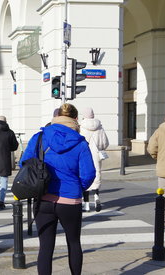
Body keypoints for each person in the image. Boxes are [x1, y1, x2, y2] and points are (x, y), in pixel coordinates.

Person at [20, 103, 96, 275]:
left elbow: (23, 164)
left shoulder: (39, 137)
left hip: (43, 198)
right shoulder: (80, 143)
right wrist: (77, 188)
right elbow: (89, 174)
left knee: (45, 248)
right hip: (70, 200)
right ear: (76, 119)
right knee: (74, 243)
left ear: (56, 117)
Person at [79, 107, 109, 212]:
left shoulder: (81, 127)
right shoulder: (100, 127)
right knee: (97, 175)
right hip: (96, 155)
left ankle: (86, 205)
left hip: (85, 155)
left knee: (85, 176)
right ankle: (96, 197)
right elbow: (105, 142)